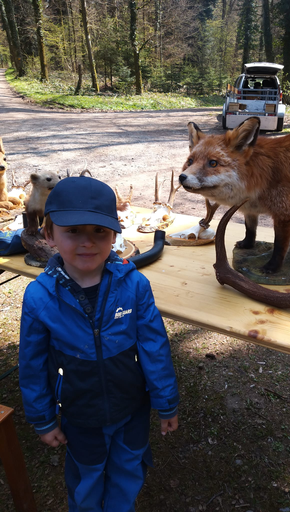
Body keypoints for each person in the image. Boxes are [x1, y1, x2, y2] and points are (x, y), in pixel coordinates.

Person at [19, 176, 179, 512]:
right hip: (81, 414)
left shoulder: (134, 286)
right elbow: (31, 364)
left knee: (128, 469)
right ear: (49, 235)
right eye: (73, 231)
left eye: (99, 232)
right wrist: (43, 419)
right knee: (86, 477)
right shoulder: (39, 296)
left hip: (132, 408)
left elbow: (155, 348)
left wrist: (166, 403)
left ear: (114, 235)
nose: (87, 243)